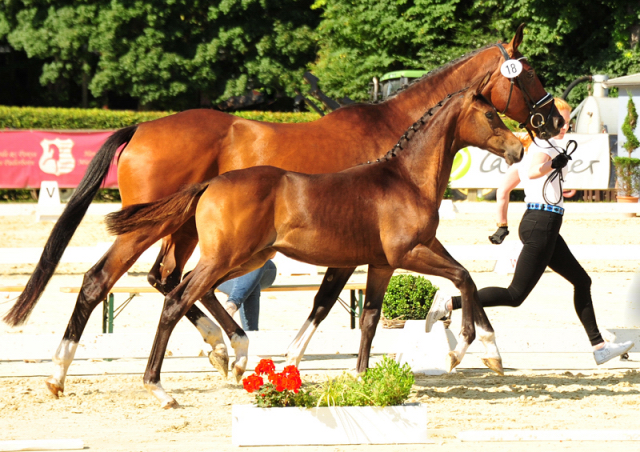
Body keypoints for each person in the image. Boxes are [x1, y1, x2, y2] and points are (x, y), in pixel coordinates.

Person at [426, 98, 634, 365]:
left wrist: (560, 185)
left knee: (582, 282)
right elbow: (536, 170)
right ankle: (449, 303)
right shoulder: (544, 145)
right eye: (561, 118)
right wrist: (552, 166)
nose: (565, 124)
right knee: (515, 295)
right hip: (541, 224)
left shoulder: (543, 144)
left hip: (544, 222)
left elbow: (520, 182)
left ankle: (599, 346)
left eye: (568, 119)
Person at [218, 259, 277, 331]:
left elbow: (272, 254)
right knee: (251, 286)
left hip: (263, 270)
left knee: (258, 259)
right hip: (225, 274)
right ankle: (251, 333)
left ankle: (232, 305)